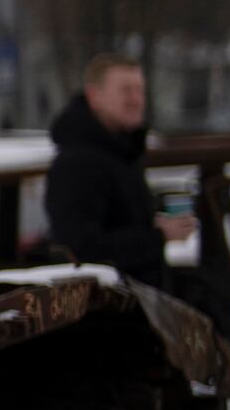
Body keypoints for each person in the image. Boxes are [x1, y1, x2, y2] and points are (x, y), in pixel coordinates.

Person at [44, 54, 171, 287]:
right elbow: (80, 249)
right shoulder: (78, 164)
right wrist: (156, 237)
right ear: (95, 96)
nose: (136, 100)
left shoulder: (123, 155)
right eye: (125, 91)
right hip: (109, 314)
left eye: (139, 90)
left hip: (138, 304)